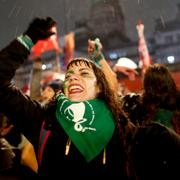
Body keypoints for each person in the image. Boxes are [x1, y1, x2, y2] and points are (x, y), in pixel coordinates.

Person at [0, 17, 179, 180]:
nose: (73, 78)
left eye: (84, 73)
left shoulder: (125, 129)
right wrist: (27, 39)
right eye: (69, 76)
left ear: (100, 87)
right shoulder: (44, 121)